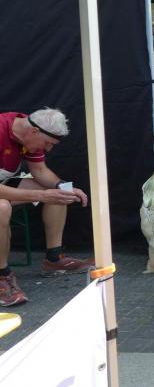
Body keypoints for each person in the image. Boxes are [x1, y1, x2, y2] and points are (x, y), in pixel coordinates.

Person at [0, 109, 91, 307]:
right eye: (48, 143)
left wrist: (63, 187)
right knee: (2, 208)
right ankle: (2, 276)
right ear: (34, 131)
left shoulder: (29, 133)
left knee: (60, 193)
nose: (48, 149)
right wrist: (40, 195)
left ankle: (53, 260)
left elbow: (40, 170)